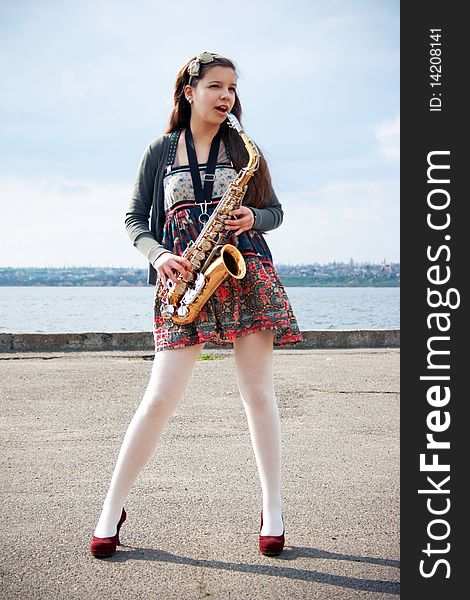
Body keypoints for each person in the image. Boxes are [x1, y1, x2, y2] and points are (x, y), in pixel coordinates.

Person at [90, 51, 303, 559]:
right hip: (184, 278)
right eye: (216, 86)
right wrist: (158, 254)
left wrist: (255, 216)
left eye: (232, 87)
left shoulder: (245, 149)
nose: (227, 96)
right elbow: (133, 218)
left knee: (258, 394)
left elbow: (276, 211)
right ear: (189, 90)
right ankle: (110, 509)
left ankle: (272, 509)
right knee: (159, 399)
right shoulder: (160, 152)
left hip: (245, 271)